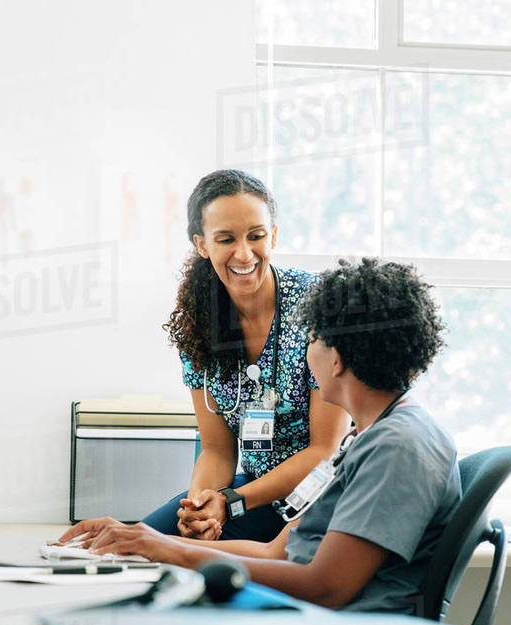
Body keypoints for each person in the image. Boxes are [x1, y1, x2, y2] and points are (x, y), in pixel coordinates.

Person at [58, 258, 460, 614]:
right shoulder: (367, 438)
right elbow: (275, 553)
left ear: (335, 360)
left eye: (312, 339)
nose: (305, 352)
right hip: (309, 616)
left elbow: (326, 587)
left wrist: (171, 550)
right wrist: (152, 541)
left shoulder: (398, 447)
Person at [119, 169, 350, 543]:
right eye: (226, 239)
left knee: (176, 555)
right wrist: (200, 510)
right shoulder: (199, 322)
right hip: (251, 496)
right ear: (202, 244)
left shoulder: (317, 307)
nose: (244, 253)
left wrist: (230, 503)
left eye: (256, 236)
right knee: (136, 545)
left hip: (321, 498)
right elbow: (216, 448)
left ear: (273, 235)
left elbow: (324, 450)